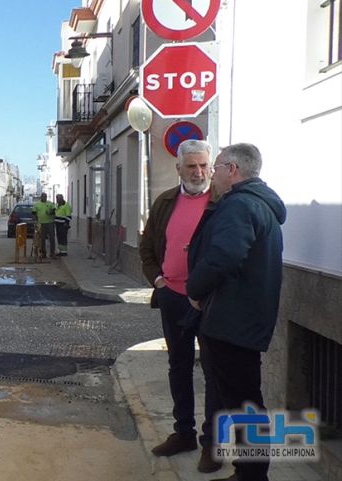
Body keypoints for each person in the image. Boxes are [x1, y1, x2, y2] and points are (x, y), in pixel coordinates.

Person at [187, 143, 286, 481]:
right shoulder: (259, 204)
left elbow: (223, 257)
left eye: (215, 167)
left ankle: (253, 474)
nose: (211, 175)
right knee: (244, 399)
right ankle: (249, 470)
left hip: (234, 322)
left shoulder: (240, 205)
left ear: (232, 170)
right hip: (245, 319)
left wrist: (194, 289)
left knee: (243, 402)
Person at [139, 139, 222, 474]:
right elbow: (146, 248)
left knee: (214, 373)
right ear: (179, 169)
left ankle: (211, 445)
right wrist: (157, 279)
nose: (199, 172)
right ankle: (183, 433)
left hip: (209, 302)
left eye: (204, 165)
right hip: (172, 298)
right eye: (192, 166)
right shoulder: (164, 202)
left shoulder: (221, 202)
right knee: (179, 367)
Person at [32, 193, 56, 258]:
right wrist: (35, 222)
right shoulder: (37, 204)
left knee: (52, 238)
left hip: (50, 223)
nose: (44, 198)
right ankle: (43, 253)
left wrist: (50, 212)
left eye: (45, 196)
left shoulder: (50, 203)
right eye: (43, 197)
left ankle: (52, 253)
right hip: (41, 224)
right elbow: (34, 214)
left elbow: (54, 211)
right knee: (42, 239)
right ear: (41, 197)